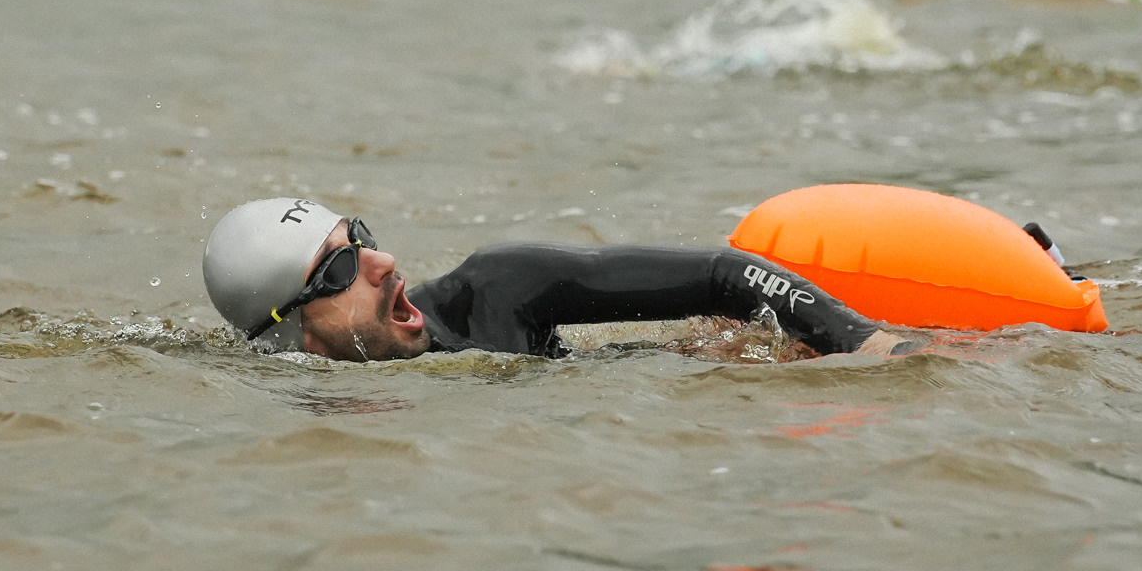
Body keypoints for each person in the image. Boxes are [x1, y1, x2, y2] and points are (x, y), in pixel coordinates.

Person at [202, 197, 913, 362]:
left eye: (360, 237)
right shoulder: (289, 402)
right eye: (340, 268)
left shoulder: (499, 291)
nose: (382, 262)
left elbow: (726, 275)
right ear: (291, 328)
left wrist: (880, 351)